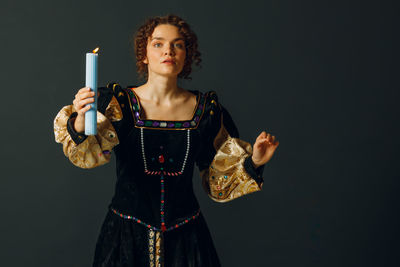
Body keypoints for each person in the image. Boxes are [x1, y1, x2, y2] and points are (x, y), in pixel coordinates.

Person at [53, 14, 279, 267]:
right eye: (158, 44)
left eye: (178, 44)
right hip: (125, 237)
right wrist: (81, 123)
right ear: (144, 54)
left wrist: (255, 161)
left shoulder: (207, 112)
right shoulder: (118, 105)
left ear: (186, 55)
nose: (168, 51)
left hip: (187, 239)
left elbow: (217, 179)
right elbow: (88, 157)